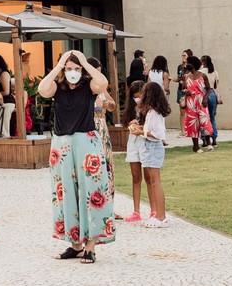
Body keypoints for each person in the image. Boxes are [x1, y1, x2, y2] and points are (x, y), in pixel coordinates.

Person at [37, 49, 114, 261]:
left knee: (91, 191)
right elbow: (42, 89)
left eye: (76, 68)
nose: (73, 72)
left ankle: (91, 246)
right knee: (65, 192)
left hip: (86, 142)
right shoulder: (58, 88)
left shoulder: (89, 87)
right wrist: (60, 65)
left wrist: (85, 64)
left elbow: (103, 83)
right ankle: (75, 244)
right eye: (70, 69)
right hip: (62, 144)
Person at [135, 80, 170, 228]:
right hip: (149, 147)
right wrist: (141, 128)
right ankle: (159, 215)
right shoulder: (152, 112)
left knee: (155, 182)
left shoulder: (155, 113)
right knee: (152, 180)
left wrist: (142, 132)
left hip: (153, 147)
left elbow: (159, 134)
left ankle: (161, 217)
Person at [120, 80, 147, 224]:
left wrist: (141, 126)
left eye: (140, 96)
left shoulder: (150, 108)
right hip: (133, 143)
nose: (137, 99)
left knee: (149, 178)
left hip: (145, 141)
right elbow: (125, 122)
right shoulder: (131, 108)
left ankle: (154, 210)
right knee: (136, 177)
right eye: (135, 97)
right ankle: (136, 210)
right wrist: (130, 124)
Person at [180, 58, 215, 153]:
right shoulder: (186, 77)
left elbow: (209, 89)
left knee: (205, 120)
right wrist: (185, 91)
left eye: (188, 63)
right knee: (193, 123)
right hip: (190, 101)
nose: (187, 64)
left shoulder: (203, 76)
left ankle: (208, 143)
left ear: (194, 64)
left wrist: (205, 98)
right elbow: (182, 88)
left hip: (201, 100)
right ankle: (196, 146)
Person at [200, 54, 220, 139]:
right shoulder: (215, 72)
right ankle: (214, 137)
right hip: (212, 94)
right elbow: (215, 85)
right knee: (212, 117)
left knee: (203, 117)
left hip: (204, 93)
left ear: (203, 62)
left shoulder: (200, 71)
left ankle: (204, 138)